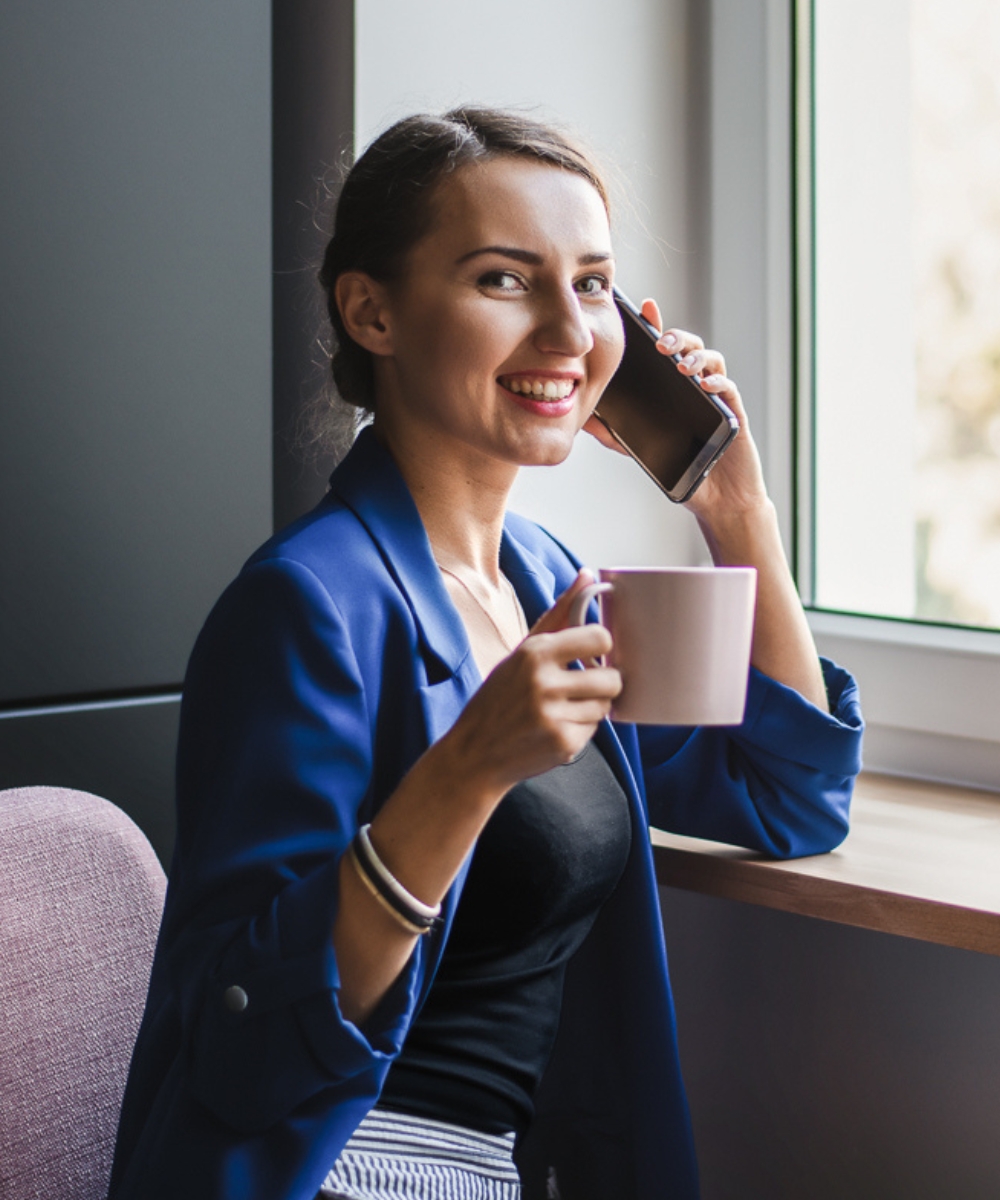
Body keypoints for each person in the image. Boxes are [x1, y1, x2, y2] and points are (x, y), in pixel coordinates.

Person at [108, 108, 863, 1200]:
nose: (568, 332)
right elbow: (244, 1045)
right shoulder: (305, 609)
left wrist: (738, 510)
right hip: (346, 1172)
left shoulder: (545, 579)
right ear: (372, 311)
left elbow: (790, 797)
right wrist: (467, 768)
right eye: (507, 280)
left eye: (593, 284)